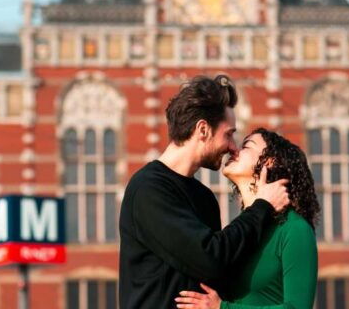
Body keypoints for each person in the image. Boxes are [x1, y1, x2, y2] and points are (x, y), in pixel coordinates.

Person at [119, 75, 291, 309]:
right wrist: (262, 206)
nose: (233, 147)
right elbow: (210, 258)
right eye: (229, 134)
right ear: (202, 129)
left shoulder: (205, 198)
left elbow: (221, 274)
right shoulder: (149, 189)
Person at [175, 128, 320, 309]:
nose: (234, 149)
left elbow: (298, 307)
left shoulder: (294, 228)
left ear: (270, 161)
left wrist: (223, 308)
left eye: (246, 146)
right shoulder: (242, 230)